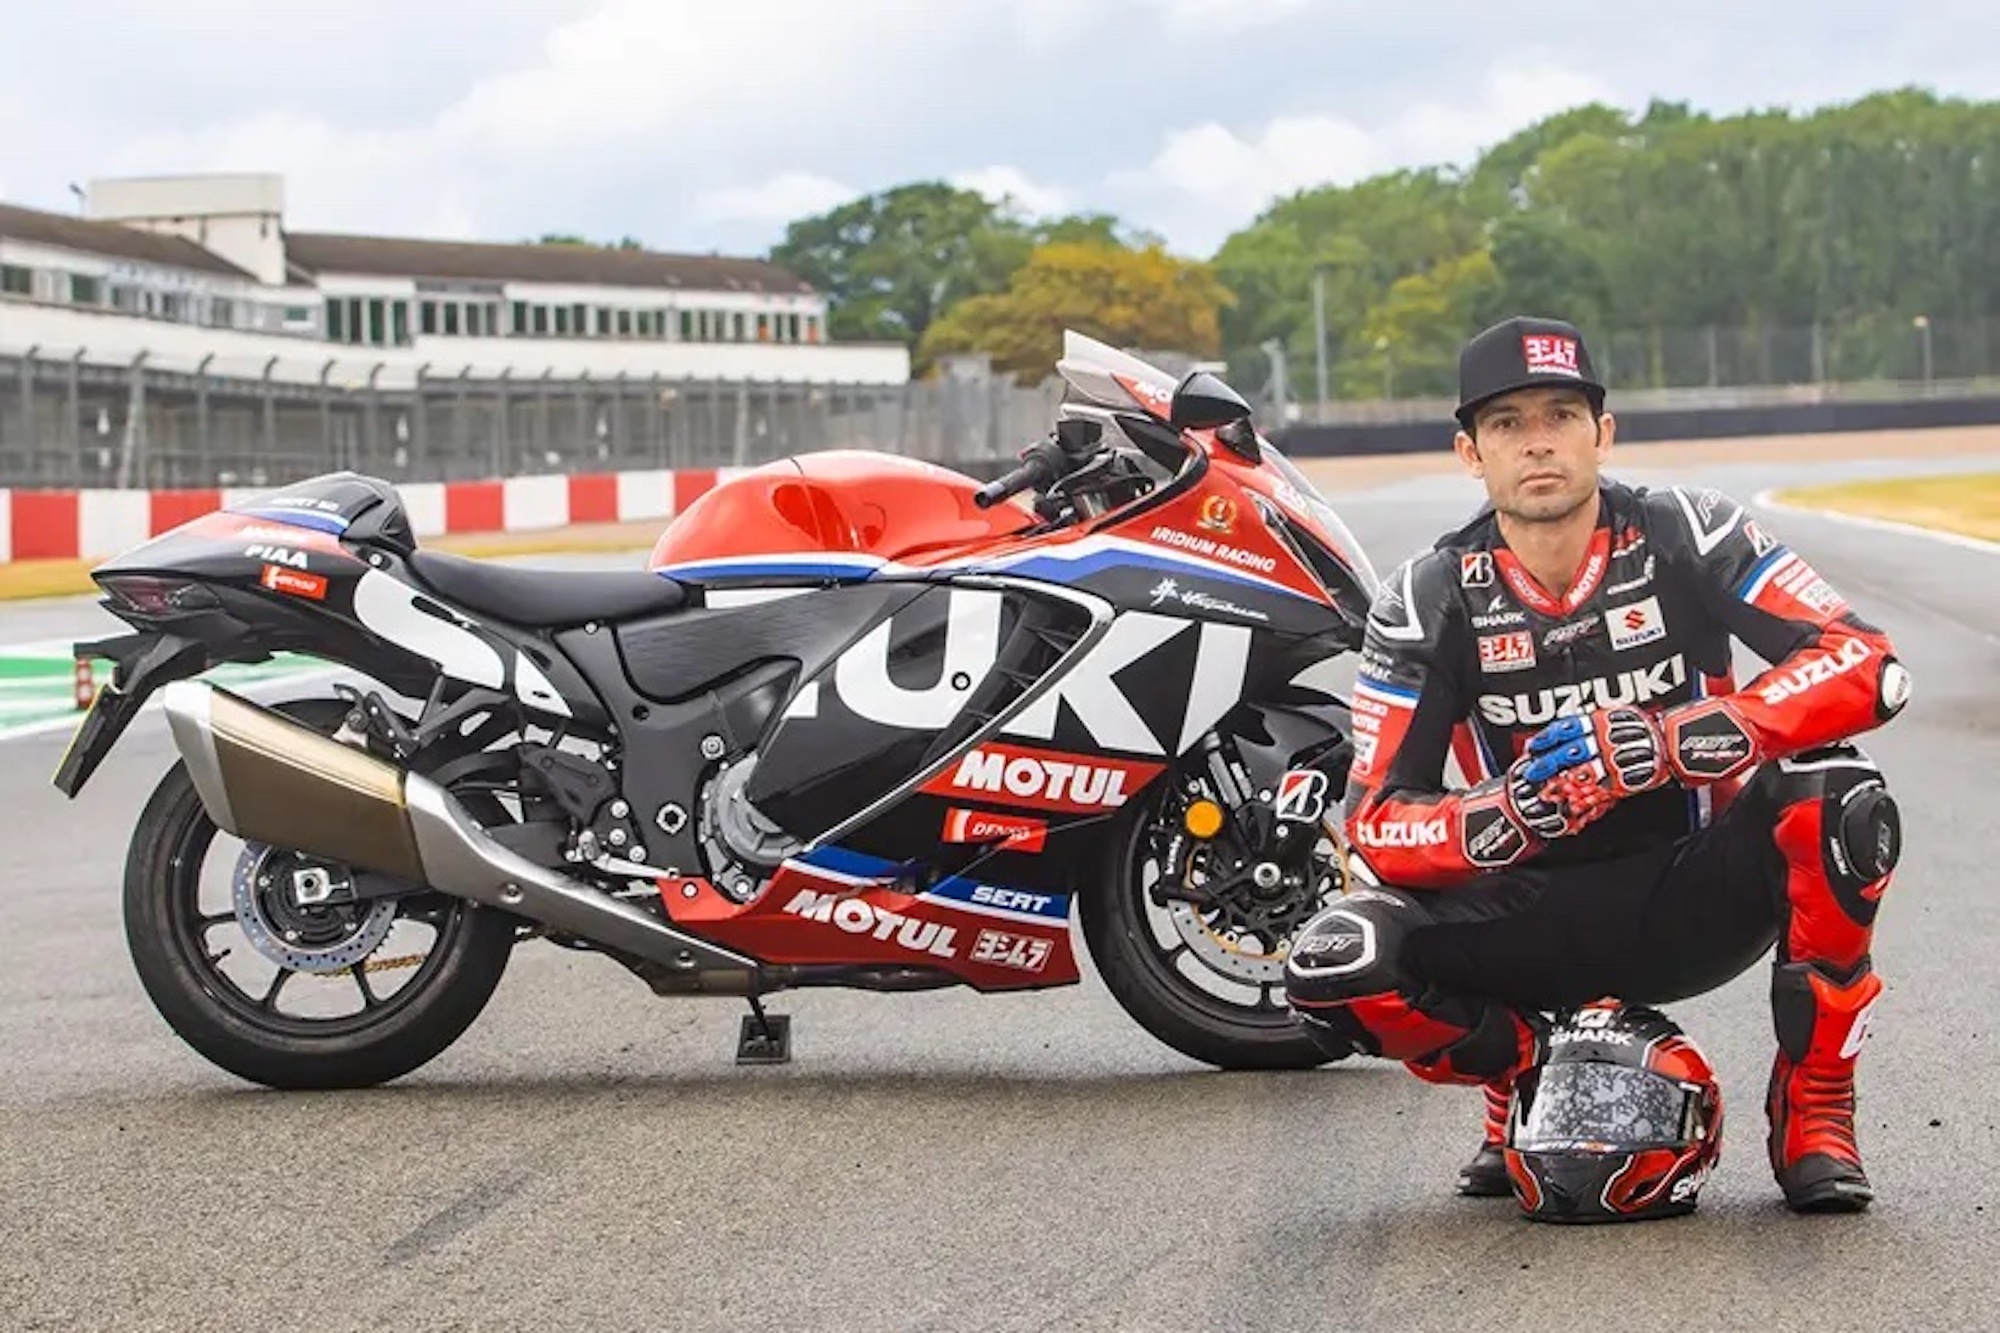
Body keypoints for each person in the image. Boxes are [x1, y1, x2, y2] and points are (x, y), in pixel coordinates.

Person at [1282, 315, 1911, 1214]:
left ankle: (1814, 1105)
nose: (1537, 441)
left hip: (1693, 892)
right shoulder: (1426, 594)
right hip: (1526, 906)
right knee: (1333, 958)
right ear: (1471, 451)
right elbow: (1377, 822)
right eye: (1506, 423)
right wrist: (1512, 809)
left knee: (1840, 798)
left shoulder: (1689, 530)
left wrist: (1682, 739)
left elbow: (1868, 665)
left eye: (1561, 414)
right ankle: (1524, 1075)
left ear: (1602, 434)